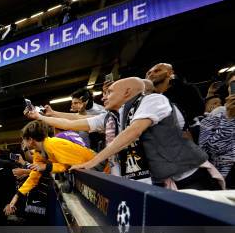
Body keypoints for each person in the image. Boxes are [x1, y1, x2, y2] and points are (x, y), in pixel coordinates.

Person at [71, 78, 223, 190]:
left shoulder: (153, 100)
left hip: (190, 175)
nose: (104, 97)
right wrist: (48, 116)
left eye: (109, 92)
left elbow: (133, 132)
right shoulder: (120, 115)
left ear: (128, 92)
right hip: (166, 180)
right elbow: (77, 121)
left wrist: (93, 162)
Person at [4, 121, 96, 216]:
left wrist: (46, 166)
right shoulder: (38, 153)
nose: (23, 142)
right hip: (86, 171)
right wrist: (17, 195)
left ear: (30, 140)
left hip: (95, 165)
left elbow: (69, 164)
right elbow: (33, 177)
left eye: (23, 139)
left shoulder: (54, 144)